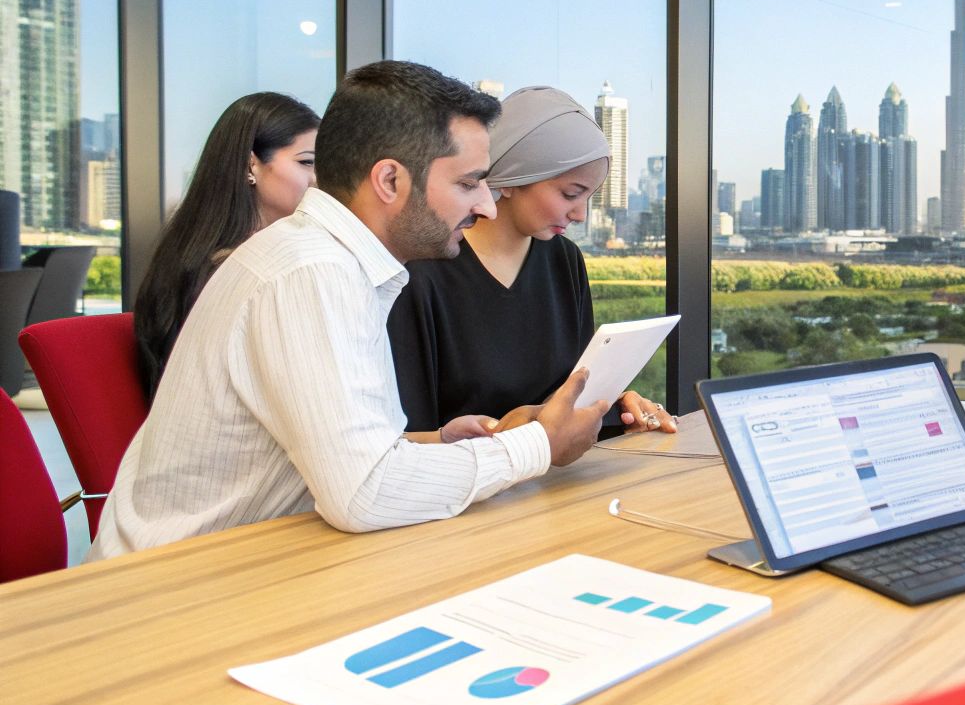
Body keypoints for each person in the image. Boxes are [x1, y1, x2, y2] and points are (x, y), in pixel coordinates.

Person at [89, 61, 613, 561]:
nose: (485, 205)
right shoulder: (312, 274)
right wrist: (536, 445)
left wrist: (435, 444)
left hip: (258, 558)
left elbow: (353, 457)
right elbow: (364, 494)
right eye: (467, 183)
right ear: (389, 181)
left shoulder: (339, 264)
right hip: (176, 587)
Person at [388, 86, 674, 437]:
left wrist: (617, 408)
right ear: (510, 179)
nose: (581, 214)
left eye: (590, 197)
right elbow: (409, 439)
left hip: (561, 478)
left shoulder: (564, 260)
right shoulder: (421, 271)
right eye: (570, 193)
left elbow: (573, 392)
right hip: (469, 486)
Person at [133, 92, 320, 396]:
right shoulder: (235, 270)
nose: (316, 178)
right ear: (251, 165)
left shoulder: (212, 252)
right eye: (306, 162)